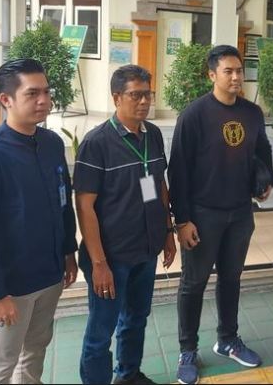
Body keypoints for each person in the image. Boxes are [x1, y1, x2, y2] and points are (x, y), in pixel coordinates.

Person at [0, 58, 78, 384]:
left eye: (46, 92)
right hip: (11, 287)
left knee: (34, 353)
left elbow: (63, 203)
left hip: (49, 277)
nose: (44, 100)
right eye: (32, 94)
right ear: (6, 99)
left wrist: (68, 251)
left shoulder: (52, 144)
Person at [168, 45, 273, 384]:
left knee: (231, 278)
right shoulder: (194, 115)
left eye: (239, 70)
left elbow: (263, 151)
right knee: (193, 283)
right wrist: (182, 220)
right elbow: (178, 171)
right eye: (228, 71)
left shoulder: (252, 113)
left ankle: (228, 339)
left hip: (240, 213)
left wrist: (267, 180)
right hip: (203, 215)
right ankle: (188, 349)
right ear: (212, 75)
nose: (235, 77)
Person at [74, 65, 176, 384]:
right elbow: (84, 206)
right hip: (112, 256)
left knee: (136, 319)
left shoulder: (153, 135)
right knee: (101, 332)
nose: (144, 101)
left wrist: (168, 232)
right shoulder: (97, 143)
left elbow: (159, 184)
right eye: (136, 95)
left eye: (148, 94)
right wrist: (99, 264)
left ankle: (128, 375)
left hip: (146, 249)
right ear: (117, 97)